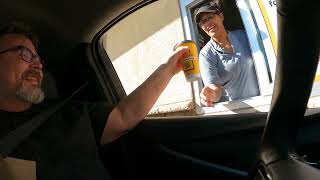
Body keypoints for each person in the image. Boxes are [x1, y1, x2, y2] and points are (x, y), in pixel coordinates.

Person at [0, 22, 188, 179]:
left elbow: (125, 115)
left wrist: (168, 69)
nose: (38, 65)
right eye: (25, 53)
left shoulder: (70, 113)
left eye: (38, 58)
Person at [194, 2, 260, 106]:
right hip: (241, 111)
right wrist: (210, 94)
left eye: (210, 17)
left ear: (221, 16)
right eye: (203, 22)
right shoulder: (206, 55)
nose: (207, 23)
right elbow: (214, 87)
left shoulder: (243, 35)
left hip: (263, 101)